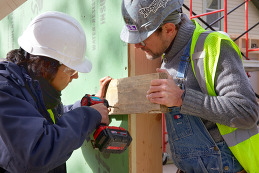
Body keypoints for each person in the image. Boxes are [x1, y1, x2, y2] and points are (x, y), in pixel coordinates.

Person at [120, 0, 259, 172]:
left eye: (142, 38)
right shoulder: (168, 55)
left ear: (169, 29)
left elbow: (246, 112)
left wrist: (181, 98)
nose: (136, 45)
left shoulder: (214, 47)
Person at [0, 11, 111, 173]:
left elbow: (41, 120)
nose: (76, 76)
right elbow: (37, 151)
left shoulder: (29, 85)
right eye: (71, 71)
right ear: (46, 67)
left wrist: (82, 106)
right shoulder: (4, 90)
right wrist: (88, 116)